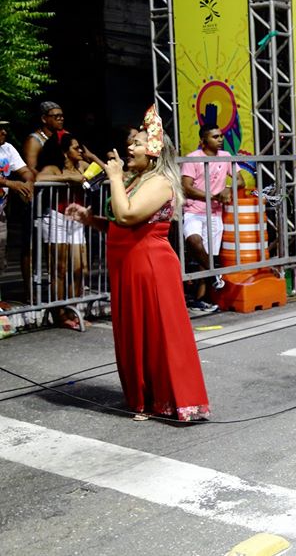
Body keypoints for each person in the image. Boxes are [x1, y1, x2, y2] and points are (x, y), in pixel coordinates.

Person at [66, 105, 210, 421]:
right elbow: (123, 224)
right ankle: (145, 398)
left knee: (156, 334)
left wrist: (115, 177)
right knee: (134, 334)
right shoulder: (139, 179)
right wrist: (91, 219)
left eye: (137, 143)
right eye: (131, 142)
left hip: (150, 266)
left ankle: (169, 400)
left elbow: (128, 214)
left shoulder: (159, 182)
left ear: (154, 152)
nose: (129, 147)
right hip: (129, 265)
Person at [180, 122, 244, 312]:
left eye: (221, 136)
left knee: (207, 256)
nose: (220, 139)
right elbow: (187, 187)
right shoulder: (192, 158)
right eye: (215, 137)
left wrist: (227, 189)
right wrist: (214, 196)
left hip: (215, 213)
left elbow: (240, 180)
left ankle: (200, 300)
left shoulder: (226, 156)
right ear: (203, 140)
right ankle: (215, 274)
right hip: (193, 211)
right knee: (194, 241)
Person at [36, 133, 90, 329]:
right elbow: (39, 178)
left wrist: (91, 156)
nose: (80, 151)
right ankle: (59, 314)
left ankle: (73, 310)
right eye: (76, 148)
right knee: (59, 269)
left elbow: (103, 171)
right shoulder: (54, 167)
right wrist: (66, 177)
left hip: (76, 220)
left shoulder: (81, 165)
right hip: (56, 219)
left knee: (80, 268)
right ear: (65, 152)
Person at [0, 120, 34, 300]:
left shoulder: (7, 149)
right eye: (0, 128)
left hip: (1, 214)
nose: (4, 132)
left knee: (0, 259)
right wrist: (10, 183)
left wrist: (28, 182)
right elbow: (10, 181)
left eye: (4, 128)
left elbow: (24, 170)